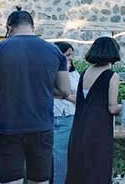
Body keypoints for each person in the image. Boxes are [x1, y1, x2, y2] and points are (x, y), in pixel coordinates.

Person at [0, 8, 70, 184]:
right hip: (41, 126)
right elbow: (65, 91)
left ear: (9, 28)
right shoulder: (54, 51)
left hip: (8, 127)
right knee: (39, 181)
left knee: (11, 181)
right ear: (32, 26)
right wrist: (43, 88)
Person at [65, 37, 122, 184]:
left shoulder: (85, 72)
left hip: (79, 129)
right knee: (98, 173)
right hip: (99, 131)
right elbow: (112, 107)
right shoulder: (112, 76)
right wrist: (124, 107)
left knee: (79, 172)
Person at [52, 42, 79, 184]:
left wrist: (64, 95)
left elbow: (79, 94)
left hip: (69, 115)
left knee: (64, 156)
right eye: (67, 55)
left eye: (71, 54)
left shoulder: (74, 73)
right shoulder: (50, 70)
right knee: (57, 157)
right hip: (53, 114)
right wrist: (67, 96)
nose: (70, 57)